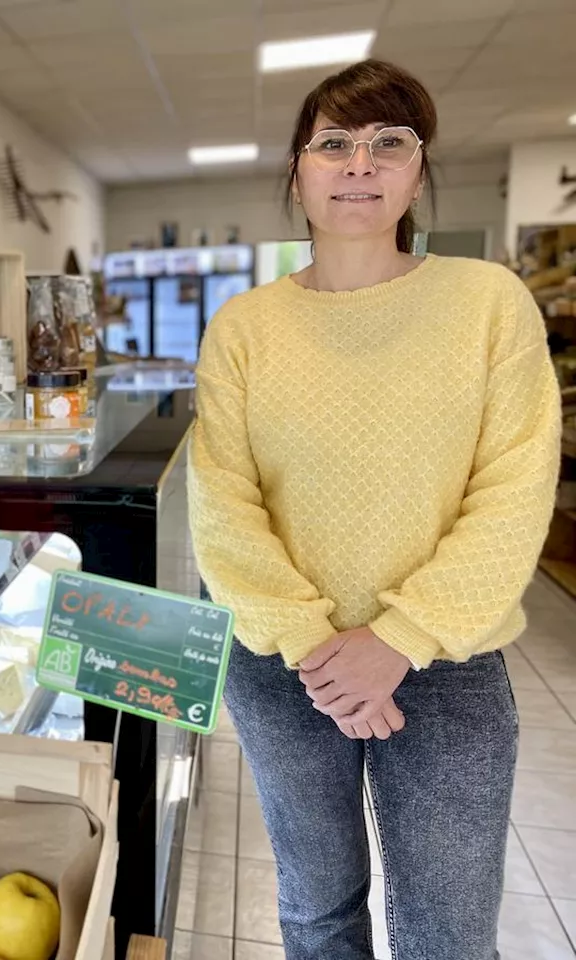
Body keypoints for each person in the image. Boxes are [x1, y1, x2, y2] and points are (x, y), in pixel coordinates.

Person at [188, 60, 561, 960]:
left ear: (419, 172)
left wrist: (397, 639)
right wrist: (318, 646)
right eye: (334, 144)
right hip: (286, 666)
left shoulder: (488, 305)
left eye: (389, 143)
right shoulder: (244, 325)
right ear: (298, 170)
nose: (360, 164)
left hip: (449, 663)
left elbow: (515, 487)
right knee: (317, 910)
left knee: (450, 930)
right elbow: (223, 504)